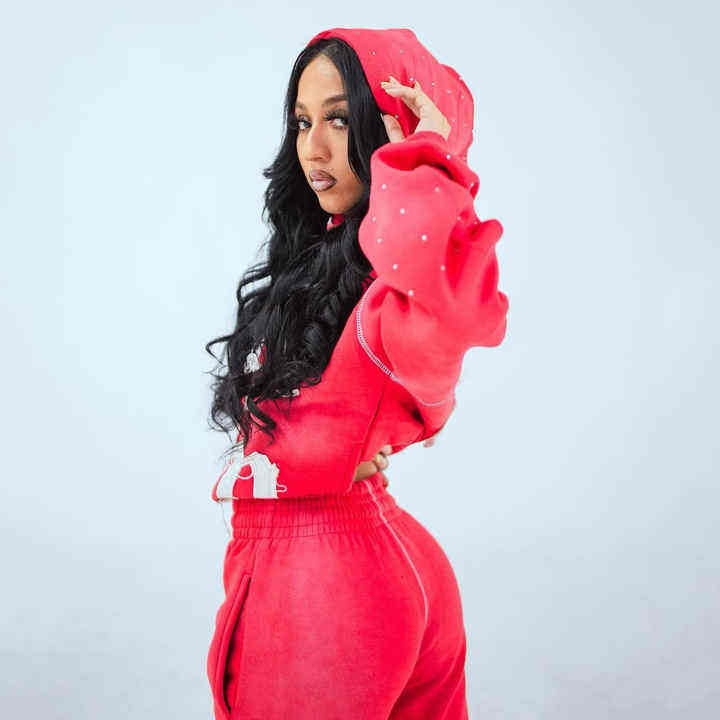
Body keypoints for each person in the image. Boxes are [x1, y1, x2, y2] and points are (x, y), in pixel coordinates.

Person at [204, 27, 509, 719]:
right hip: (361, 564)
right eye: (302, 122)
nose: (313, 148)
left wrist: (425, 163)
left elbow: (458, 309)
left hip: (327, 587)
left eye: (340, 120)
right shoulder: (331, 271)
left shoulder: (387, 298)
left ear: (391, 125)